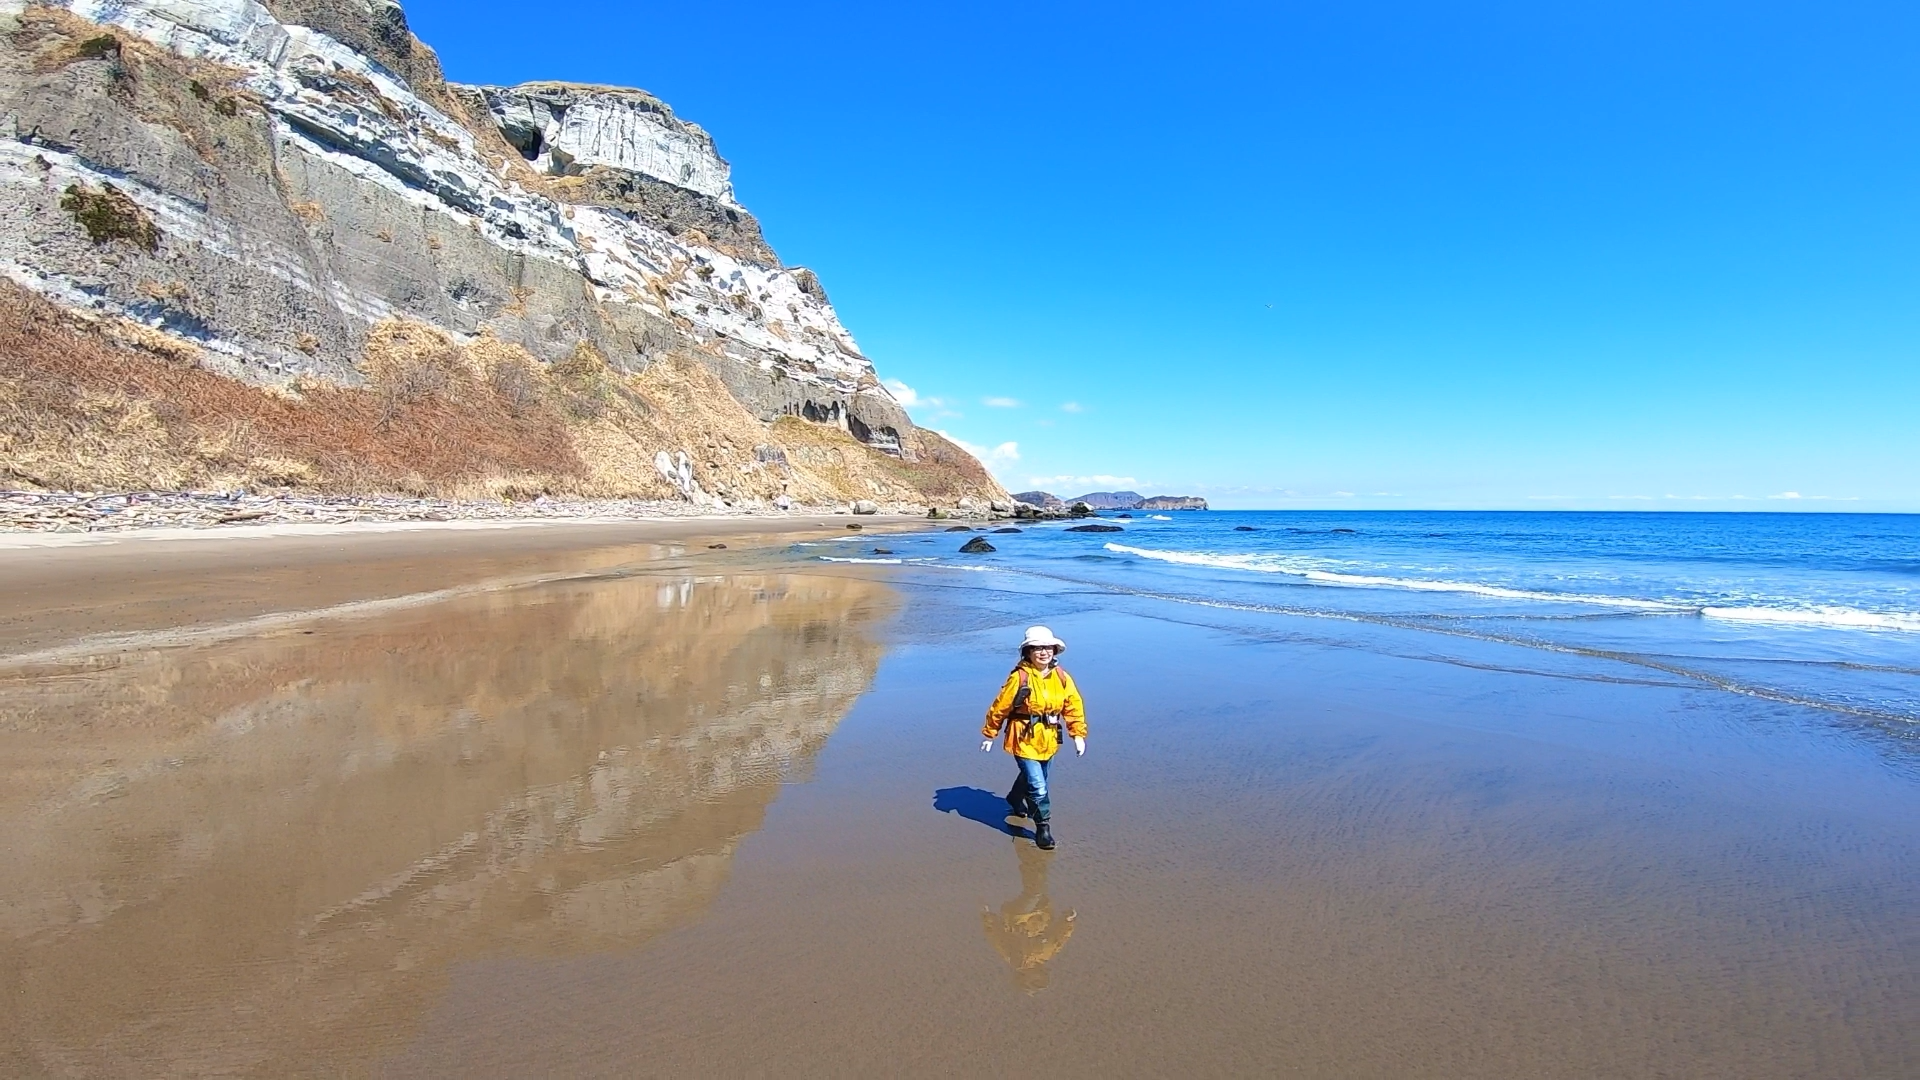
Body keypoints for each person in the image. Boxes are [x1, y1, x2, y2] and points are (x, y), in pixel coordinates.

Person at [981, 625, 1087, 850]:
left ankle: (1014, 798)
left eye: (1047, 647)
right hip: (1022, 738)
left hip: (1048, 739)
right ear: (1028, 652)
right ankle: (1043, 828)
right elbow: (1000, 707)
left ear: (1054, 650)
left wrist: (1077, 734)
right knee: (1039, 786)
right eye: (1037, 648)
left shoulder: (1062, 677)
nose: (1043, 652)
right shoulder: (1019, 678)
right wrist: (990, 734)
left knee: (1036, 778)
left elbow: (1073, 706)